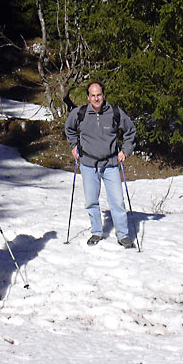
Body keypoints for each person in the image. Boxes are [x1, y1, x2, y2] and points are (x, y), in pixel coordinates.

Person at [65, 82, 136, 248]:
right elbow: (69, 129)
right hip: (88, 164)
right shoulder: (80, 113)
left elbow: (130, 131)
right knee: (91, 201)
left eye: (99, 95)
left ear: (103, 95)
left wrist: (125, 151)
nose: (96, 98)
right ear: (88, 97)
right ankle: (96, 232)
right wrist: (74, 146)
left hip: (110, 164)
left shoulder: (115, 113)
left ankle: (123, 235)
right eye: (93, 95)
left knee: (117, 201)